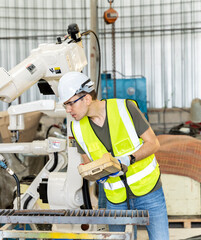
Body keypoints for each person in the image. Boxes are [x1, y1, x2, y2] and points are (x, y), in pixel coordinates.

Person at [57, 72, 169, 240]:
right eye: (65, 105)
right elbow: (87, 162)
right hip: (115, 199)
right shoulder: (77, 129)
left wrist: (128, 160)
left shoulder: (125, 108)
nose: (67, 110)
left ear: (87, 99)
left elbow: (153, 143)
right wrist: (95, 174)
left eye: (70, 103)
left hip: (148, 191)